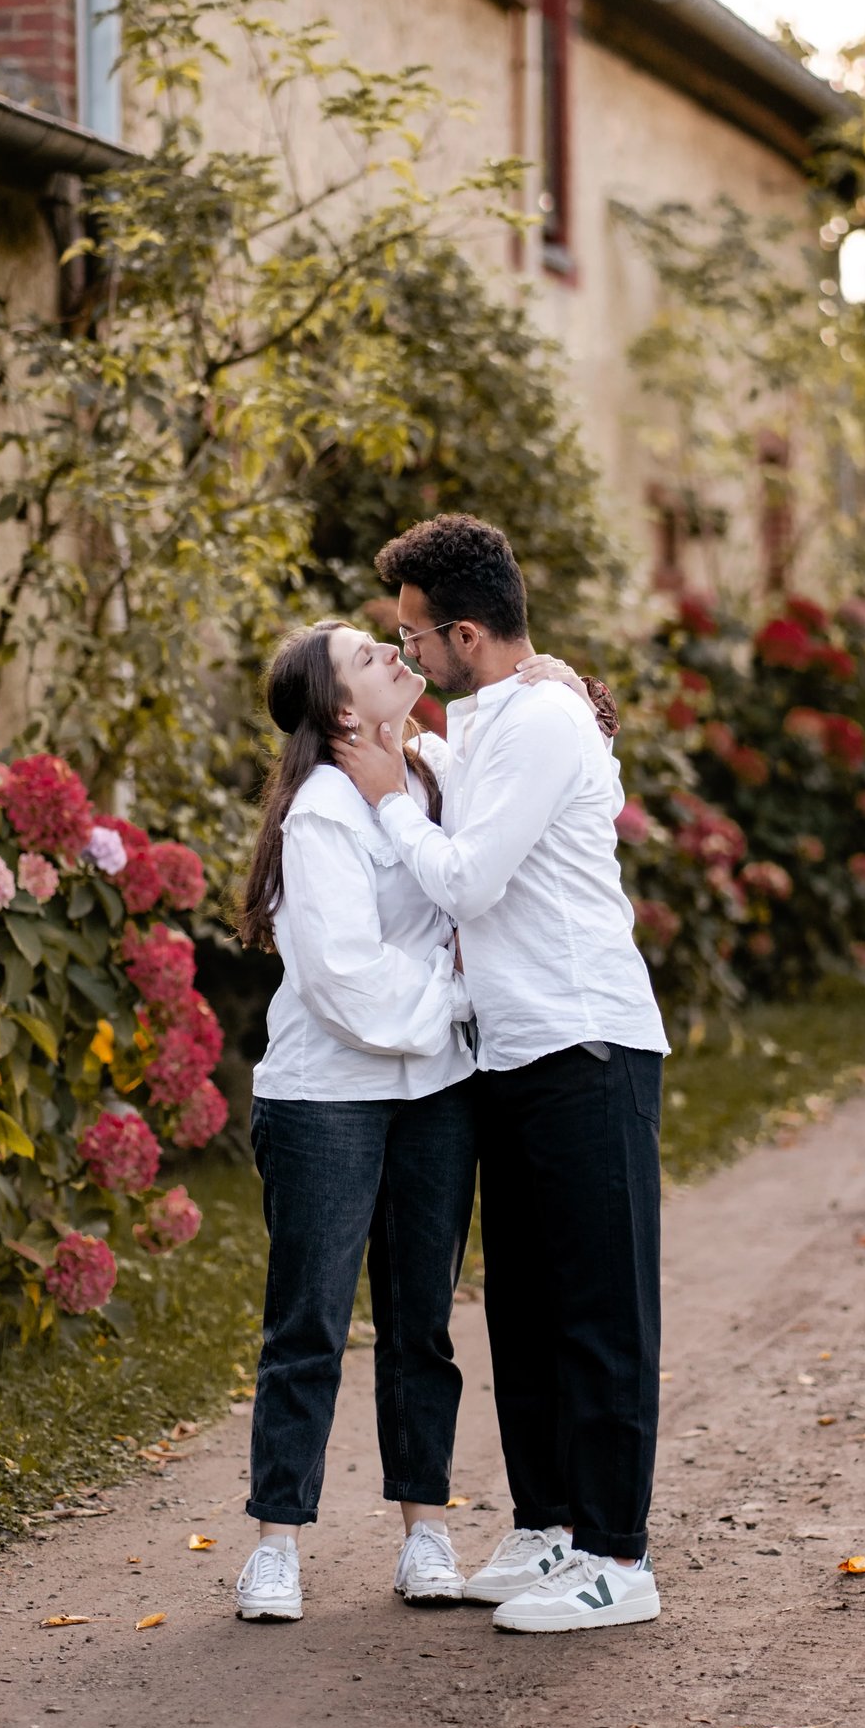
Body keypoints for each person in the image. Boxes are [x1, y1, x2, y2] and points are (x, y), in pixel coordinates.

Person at [337, 514, 670, 1635]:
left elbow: (469, 879)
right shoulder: (496, 717)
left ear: (466, 634)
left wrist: (386, 790)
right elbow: (456, 775)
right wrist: (406, 753)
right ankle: (550, 1526)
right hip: (516, 1052)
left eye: (414, 636)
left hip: (589, 1043)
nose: (410, 655)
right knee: (526, 1309)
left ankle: (618, 1558)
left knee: (603, 1311)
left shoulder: (541, 721)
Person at [232, 616, 590, 1623]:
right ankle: (276, 1543)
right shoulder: (322, 814)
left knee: (420, 1322)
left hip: (434, 1097)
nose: (396, 655)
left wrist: (562, 683)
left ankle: (425, 1530)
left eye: (390, 643)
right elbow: (344, 979)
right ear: (343, 710)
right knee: (308, 1320)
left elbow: (539, 763)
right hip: (325, 1101)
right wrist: (458, 990)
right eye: (366, 657)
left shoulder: (434, 766)